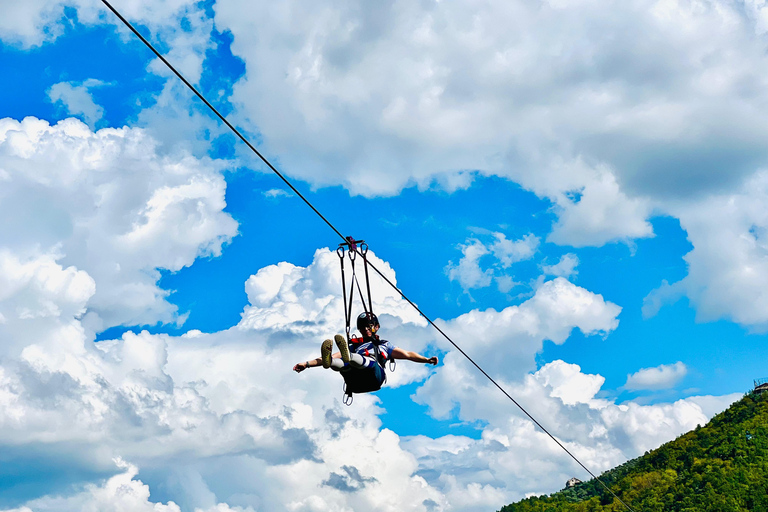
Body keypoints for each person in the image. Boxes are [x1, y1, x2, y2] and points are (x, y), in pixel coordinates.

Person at [293, 313, 438, 388]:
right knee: (339, 362)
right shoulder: (355, 346)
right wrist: (306, 364)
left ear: (376, 327)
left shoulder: (384, 345)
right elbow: (328, 356)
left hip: (374, 375)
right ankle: (330, 364)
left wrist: (426, 360)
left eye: (369, 326)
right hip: (355, 379)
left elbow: (407, 354)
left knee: (358, 360)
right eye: (363, 327)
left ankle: (347, 359)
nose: (366, 329)